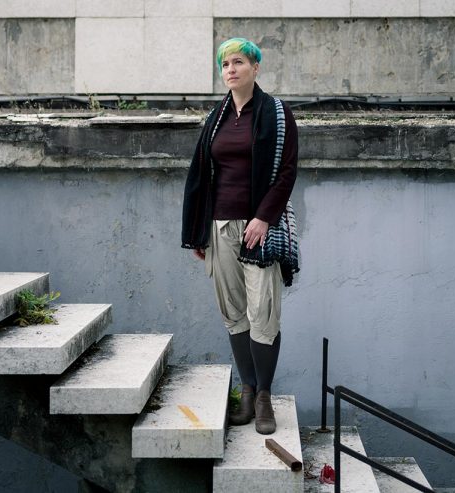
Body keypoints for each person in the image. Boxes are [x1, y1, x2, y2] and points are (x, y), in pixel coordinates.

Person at [182, 38, 299, 435]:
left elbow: (286, 174)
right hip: (219, 227)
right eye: (225, 64)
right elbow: (201, 176)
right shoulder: (216, 117)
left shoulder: (276, 114)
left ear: (255, 68)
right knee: (234, 314)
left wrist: (264, 218)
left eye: (239, 62)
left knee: (263, 313)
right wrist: (199, 231)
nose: (230, 69)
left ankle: (264, 396)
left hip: (258, 229)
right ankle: (246, 393)